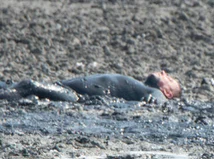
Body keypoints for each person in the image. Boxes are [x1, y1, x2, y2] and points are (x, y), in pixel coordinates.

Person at [0, 70, 181, 105]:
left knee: (30, 86)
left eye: (170, 79)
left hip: (75, 95)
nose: (164, 72)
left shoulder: (156, 93)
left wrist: (160, 102)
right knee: (12, 85)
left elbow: (160, 104)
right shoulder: (138, 85)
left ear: (168, 92)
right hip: (64, 88)